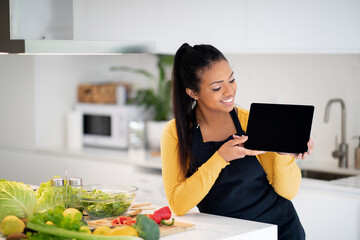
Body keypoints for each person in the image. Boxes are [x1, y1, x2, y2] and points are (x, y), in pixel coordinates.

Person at [161, 43, 314, 240]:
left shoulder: (250, 121)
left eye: (232, 80)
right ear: (193, 92)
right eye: (217, 87)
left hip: (279, 231)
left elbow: (288, 192)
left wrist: (283, 154)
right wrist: (220, 158)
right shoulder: (175, 133)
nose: (229, 91)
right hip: (229, 235)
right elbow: (178, 204)